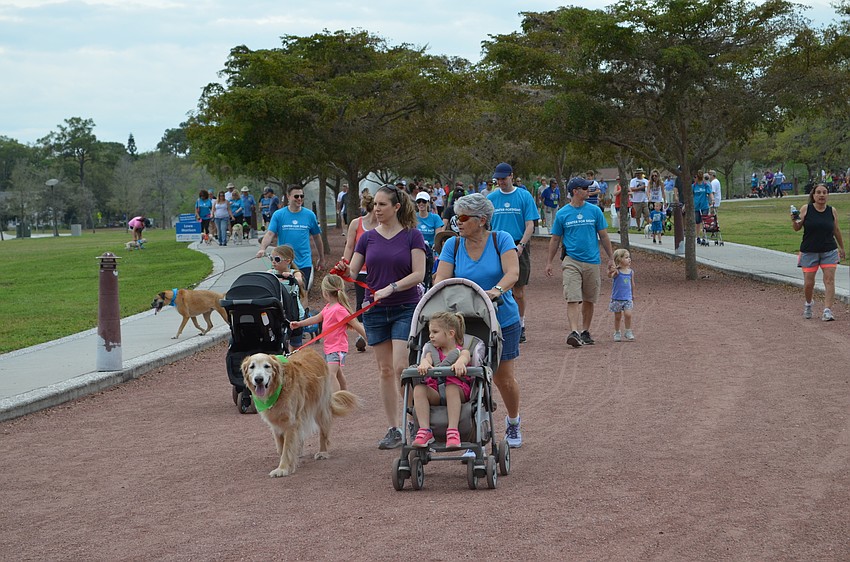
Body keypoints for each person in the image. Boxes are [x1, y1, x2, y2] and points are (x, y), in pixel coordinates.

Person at [337, 184, 426, 449]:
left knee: (401, 367)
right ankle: (394, 428)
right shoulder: (367, 238)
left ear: (396, 207)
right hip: (375, 310)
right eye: (374, 204)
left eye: (382, 204)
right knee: (385, 371)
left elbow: (419, 274)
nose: (376, 209)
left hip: (405, 307)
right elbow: (353, 273)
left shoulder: (413, 236)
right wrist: (343, 271)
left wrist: (393, 287)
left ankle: (413, 417)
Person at [434, 193, 524, 448]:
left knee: (502, 378)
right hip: (465, 321)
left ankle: (513, 421)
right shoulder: (452, 245)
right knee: (468, 376)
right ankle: (472, 433)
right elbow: (442, 279)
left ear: (482, 219)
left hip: (501, 318)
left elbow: (513, 272)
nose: (457, 223)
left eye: (463, 217)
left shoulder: (500, 239)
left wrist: (495, 290)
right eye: (455, 217)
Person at [545, 177, 616, 348]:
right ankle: (574, 332)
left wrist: (611, 258)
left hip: (592, 261)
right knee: (573, 297)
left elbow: (604, 236)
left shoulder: (595, 211)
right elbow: (555, 240)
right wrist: (549, 262)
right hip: (571, 261)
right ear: (575, 191)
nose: (588, 191)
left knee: (589, 299)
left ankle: (585, 331)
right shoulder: (562, 213)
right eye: (584, 188)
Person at [411, 312, 484, 448]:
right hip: (436, 392)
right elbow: (426, 360)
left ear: (451, 333)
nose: (431, 336)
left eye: (435, 332)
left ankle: (452, 431)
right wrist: (425, 364)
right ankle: (425, 430)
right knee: (419, 389)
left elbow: (464, 358)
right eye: (430, 332)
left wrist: (460, 364)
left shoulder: (463, 352)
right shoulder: (431, 352)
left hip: (458, 391)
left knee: (451, 388)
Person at [488, 162, 539, 344]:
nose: (501, 182)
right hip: (496, 245)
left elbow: (530, 224)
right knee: (496, 287)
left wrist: (521, 246)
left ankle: (520, 324)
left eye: (503, 178)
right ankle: (497, 324)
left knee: (518, 291)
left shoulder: (524, 196)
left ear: (511, 176)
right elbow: (487, 225)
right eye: (498, 179)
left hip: (518, 244)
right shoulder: (492, 198)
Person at [290, 274, 366, 392]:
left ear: (325, 292)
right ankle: (344, 396)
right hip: (330, 347)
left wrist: (368, 337)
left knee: (331, 375)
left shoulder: (339, 309)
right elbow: (316, 318)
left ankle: (335, 400)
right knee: (338, 375)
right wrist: (300, 324)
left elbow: (355, 324)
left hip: (337, 347)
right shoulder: (328, 307)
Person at [791, 184, 845, 321]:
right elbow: (797, 228)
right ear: (813, 195)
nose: (822, 195)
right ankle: (808, 304)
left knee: (829, 280)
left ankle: (827, 310)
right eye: (819, 192)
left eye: (825, 192)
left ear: (828, 195)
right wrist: (794, 219)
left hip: (829, 250)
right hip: (809, 251)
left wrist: (842, 247)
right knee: (809, 283)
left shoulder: (832, 211)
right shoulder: (806, 209)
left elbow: (836, 230)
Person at [257, 184, 324, 290]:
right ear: (288, 197)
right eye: (296, 196)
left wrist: (321, 257)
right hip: (283, 262)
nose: (299, 199)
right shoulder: (279, 215)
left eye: (302, 196)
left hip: (304, 262)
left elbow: (317, 237)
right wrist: (262, 249)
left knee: (302, 291)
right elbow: (270, 234)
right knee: (284, 292)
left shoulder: (310, 215)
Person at [343, 192, 377, 354]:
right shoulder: (357, 224)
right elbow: (350, 246)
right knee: (361, 303)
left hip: (379, 271)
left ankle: (376, 332)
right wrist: (345, 264)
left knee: (378, 302)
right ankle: (362, 335)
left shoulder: (385, 225)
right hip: (361, 271)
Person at [268, 244, 307, 347]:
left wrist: (290, 276)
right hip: (278, 311)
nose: (273, 262)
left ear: (288, 261)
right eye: (271, 258)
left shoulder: (295, 273)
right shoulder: (272, 273)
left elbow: (299, 281)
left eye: (277, 259)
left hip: (294, 311)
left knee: (296, 343)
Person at [609, 249, 636, 342]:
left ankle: (628, 331)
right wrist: (611, 271)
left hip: (627, 298)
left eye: (629, 257)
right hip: (617, 298)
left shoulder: (631, 272)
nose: (629, 259)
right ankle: (617, 332)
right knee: (617, 317)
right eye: (626, 257)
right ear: (620, 259)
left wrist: (633, 294)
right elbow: (610, 276)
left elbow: (632, 284)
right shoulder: (617, 272)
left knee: (628, 314)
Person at [692, 173, 714, 244]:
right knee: (697, 222)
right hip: (696, 206)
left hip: (704, 205)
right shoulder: (694, 186)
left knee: (704, 221)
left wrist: (712, 199)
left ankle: (704, 237)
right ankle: (698, 237)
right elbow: (690, 196)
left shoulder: (705, 185)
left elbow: (710, 193)